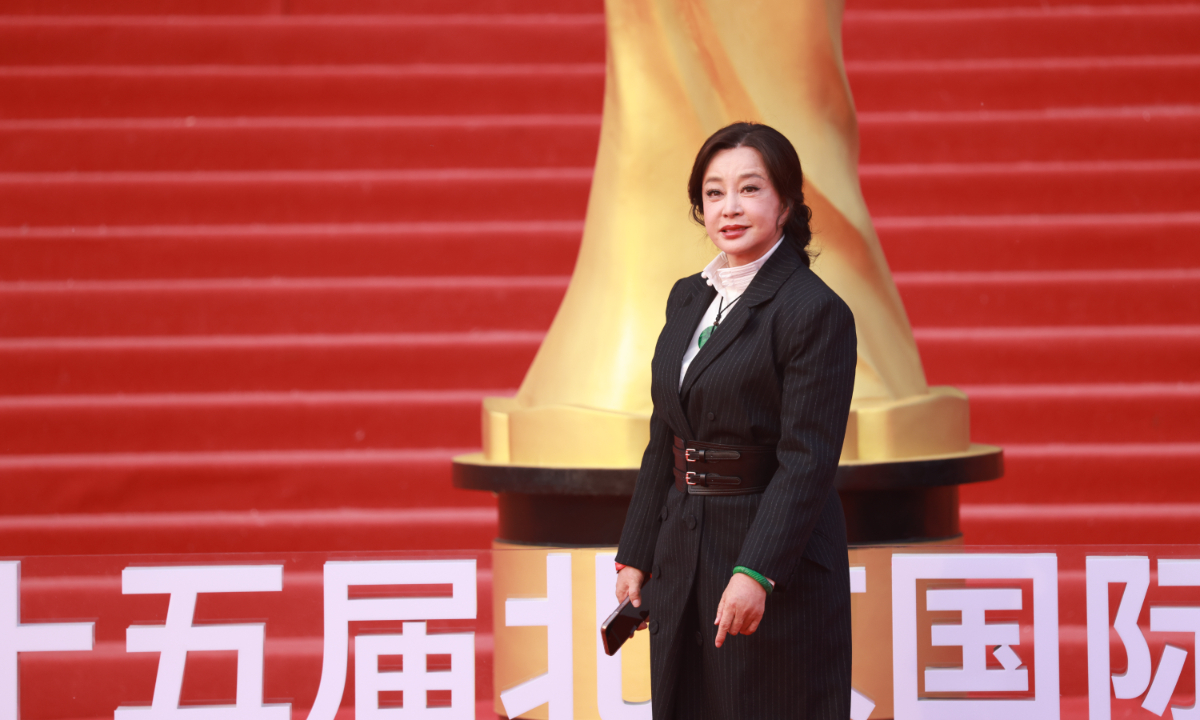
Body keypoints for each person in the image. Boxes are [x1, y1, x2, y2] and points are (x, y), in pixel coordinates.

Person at [613, 122, 857, 720]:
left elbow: (807, 460)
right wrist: (636, 551)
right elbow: (664, 434)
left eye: (750, 189)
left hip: (772, 559)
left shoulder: (814, 311)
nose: (730, 208)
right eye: (715, 192)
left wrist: (756, 574)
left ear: (787, 204)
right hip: (685, 546)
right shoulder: (688, 297)